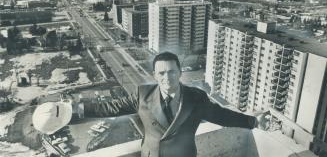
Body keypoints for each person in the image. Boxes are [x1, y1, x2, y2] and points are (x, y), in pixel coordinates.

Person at [33, 51, 269, 157]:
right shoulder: (143, 95)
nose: (168, 78)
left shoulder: (196, 99)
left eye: (172, 72)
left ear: (180, 73)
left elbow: (222, 116)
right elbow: (111, 107)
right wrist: (72, 110)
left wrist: (253, 121)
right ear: (155, 75)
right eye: (162, 73)